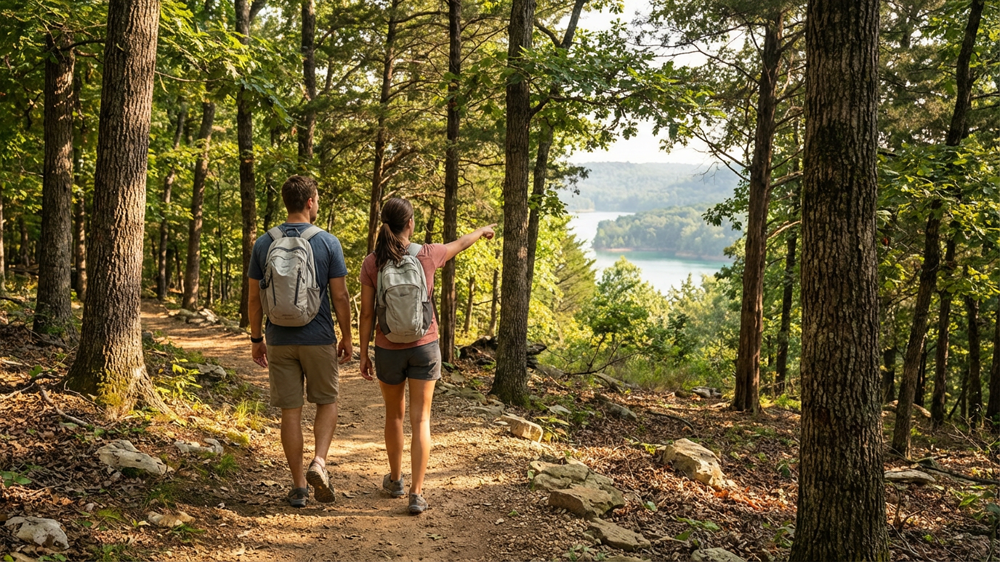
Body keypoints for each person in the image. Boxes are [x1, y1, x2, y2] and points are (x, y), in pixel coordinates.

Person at [359, 197, 494, 514]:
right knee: (421, 419)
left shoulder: (372, 262)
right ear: (410, 224)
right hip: (425, 346)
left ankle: (395, 480)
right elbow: (461, 243)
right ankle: (417, 494)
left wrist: (364, 352)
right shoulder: (428, 255)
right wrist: (481, 230)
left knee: (394, 416)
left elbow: (366, 314)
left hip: (388, 346)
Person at [248, 175, 353, 508]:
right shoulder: (327, 242)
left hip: (279, 337)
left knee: (290, 413)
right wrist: (347, 336)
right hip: (319, 337)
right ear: (310, 202)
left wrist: (256, 338)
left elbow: (253, 298)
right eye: (317, 199)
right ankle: (319, 462)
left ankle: (297, 488)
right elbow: (340, 295)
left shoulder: (264, 242)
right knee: (326, 401)